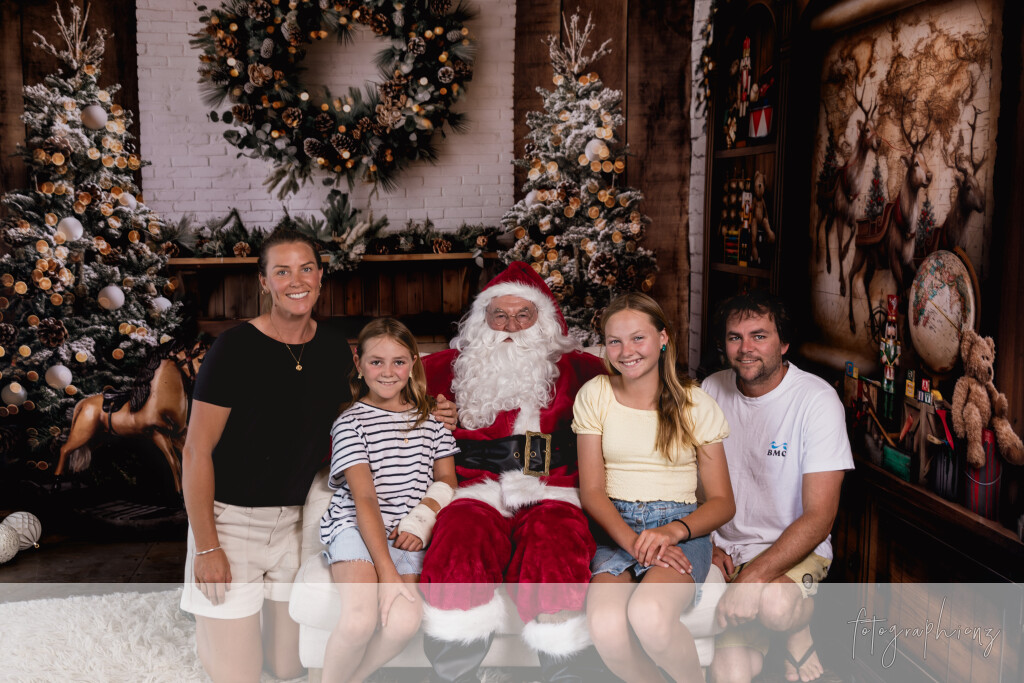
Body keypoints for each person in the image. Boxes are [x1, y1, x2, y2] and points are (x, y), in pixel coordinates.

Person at [180, 227, 354, 682]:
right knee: (240, 676)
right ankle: (211, 620)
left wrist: (430, 410)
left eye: (306, 268)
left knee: (289, 667)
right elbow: (196, 451)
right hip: (230, 521)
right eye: (282, 271)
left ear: (320, 276)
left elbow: (358, 419)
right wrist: (208, 546)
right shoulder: (234, 348)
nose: (296, 281)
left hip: (297, 524)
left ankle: (235, 619)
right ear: (264, 281)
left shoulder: (335, 347)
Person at [419, 262, 607, 683]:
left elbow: (636, 405)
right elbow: (376, 407)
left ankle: (567, 671)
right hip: (473, 487)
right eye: (499, 315)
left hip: (553, 488)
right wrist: (424, 414)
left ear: (545, 320)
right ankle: (454, 672)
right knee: (460, 538)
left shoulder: (582, 370)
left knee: (555, 542)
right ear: (481, 319)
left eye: (524, 315)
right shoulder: (439, 369)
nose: (511, 327)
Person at [574, 292, 735, 683]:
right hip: (616, 528)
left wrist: (673, 532)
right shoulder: (595, 394)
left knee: (648, 614)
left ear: (663, 338)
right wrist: (633, 542)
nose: (626, 351)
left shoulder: (695, 404)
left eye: (638, 338)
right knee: (605, 626)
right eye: (614, 341)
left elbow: (722, 502)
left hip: (677, 527)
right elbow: (592, 491)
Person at [701, 290, 853, 683]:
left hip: (794, 548)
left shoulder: (817, 401)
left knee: (774, 605)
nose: (745, 348)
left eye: (759, 336)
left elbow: (820, 518)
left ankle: (797, 631)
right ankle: (778, 636)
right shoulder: (711, 389)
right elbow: (693, 483)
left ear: (783, 344)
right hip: (729, 551)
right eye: (735, 337)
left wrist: (752, 580)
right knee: (730, 676)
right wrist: (708, 544)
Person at [319, 318, 458, 682]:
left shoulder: (432, 419)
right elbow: (364, 498)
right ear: (358, 362)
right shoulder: (350, 423)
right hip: (357, 527)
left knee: (405, 622)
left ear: (413, 362)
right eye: (376, 361)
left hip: (406, 532)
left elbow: (447, 481)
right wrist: (387, 573)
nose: (387, 371)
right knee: (359, 621)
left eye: (398, 361)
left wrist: (420, 520)